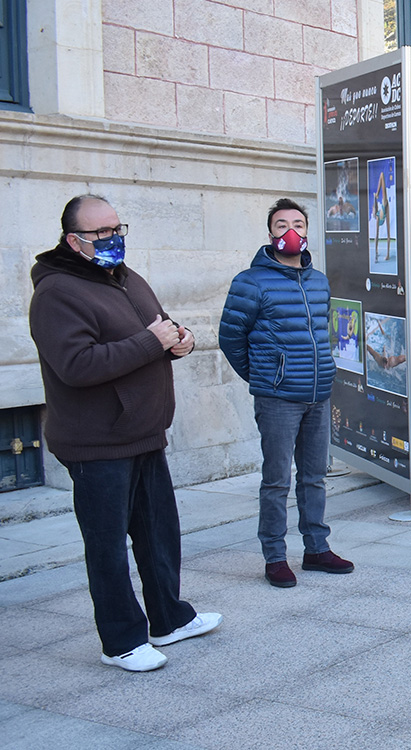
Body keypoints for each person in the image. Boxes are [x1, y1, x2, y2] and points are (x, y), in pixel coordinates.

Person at [30, 195, 221, 672]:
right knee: (109, 546)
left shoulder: (125, 277)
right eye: (102, 233)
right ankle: (120, 642)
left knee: (159, 534)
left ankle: (169, 618)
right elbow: (76, 365)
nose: (114, 239)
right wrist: (150, 343)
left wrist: (180, 339)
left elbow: (156, 328)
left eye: (118, 228)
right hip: (97, 443)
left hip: (144, 431)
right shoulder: (56, 293)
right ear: (74, 240)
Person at [220, 198, 353, 588]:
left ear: (308, 232)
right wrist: (265, 378)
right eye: (282, 225)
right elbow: (230, 338)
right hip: (278, 398)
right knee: (276, 480)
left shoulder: (318, 280)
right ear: (270, 234)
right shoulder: (251, 281)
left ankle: (316, 549)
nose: (291, 231)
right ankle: (275, 557)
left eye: (297, 223)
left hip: (318, 392)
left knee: (314, 477)